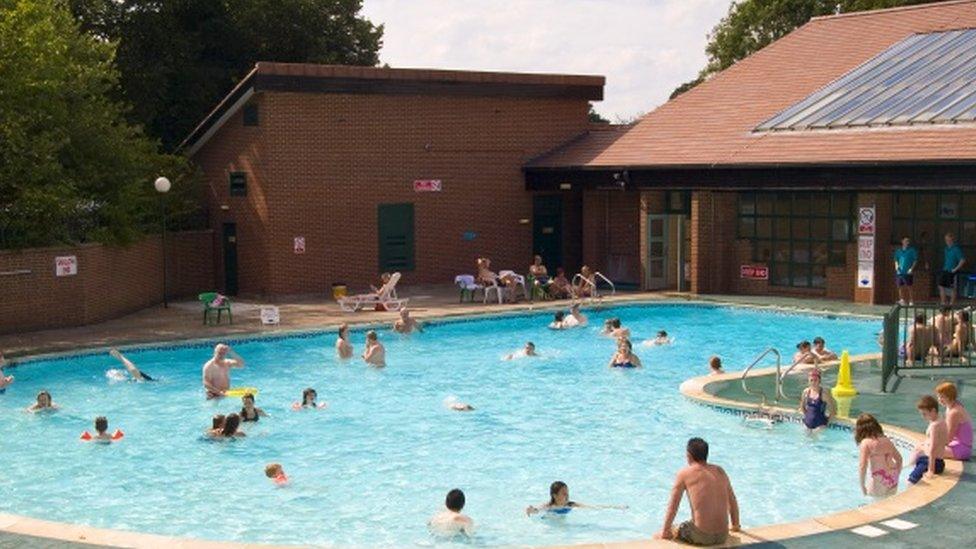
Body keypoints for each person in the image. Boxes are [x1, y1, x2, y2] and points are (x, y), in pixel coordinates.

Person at [656, 438, 740, 545]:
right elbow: (732, 501)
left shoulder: (684, 473)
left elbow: (673, 506)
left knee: (663, 533)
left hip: (702, 536)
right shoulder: (720, 471)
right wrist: (736, 526)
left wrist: (665, 532)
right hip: (722, 536)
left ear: (688, 455)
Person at [855, 413, 902, 497]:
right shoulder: (887, 440)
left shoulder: (866, 443)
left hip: (879, 478)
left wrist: (862, 485)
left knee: (874, 505)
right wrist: (897, 474)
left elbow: (862, 466)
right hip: (893, 478)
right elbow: (899, 459)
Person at [525, 481, 627, 516]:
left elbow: (592, 507)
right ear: (554, 495)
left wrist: (615, 507)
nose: (567, 495)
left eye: (567, 493)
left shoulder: (570, 505)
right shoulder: (549, 506)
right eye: (564, 493)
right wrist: (531, 510)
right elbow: (537, 510)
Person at [908, 395, 947, 483]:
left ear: (933, 411)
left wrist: (931, 470)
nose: (923, 416)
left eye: (924, 414)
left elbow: (933, 448)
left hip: (933, 462)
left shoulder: (935, 426)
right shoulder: (939, 419)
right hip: (935, 460)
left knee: (911, 480)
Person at [936, 382, 972, 461]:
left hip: (961, 450)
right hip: (958, 446)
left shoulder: (954, 412)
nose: (939, 399)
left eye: (942, 397)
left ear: (950, 397)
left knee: (923, 449)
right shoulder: (952, 406)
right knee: (924, 446)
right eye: (938, 396)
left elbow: (948, 438)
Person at [939, 232, 966, 305]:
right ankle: (943, 303)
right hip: (945, 270)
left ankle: (951, 305)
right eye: (946, 240)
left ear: (952, 239)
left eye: (949, 240)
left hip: (952, 271)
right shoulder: (946, 249)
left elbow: (962, 260)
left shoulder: (956, 249)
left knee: (952, 288)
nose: (947, 241)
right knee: (941, 286)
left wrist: (955, 269)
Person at [894, 237, 919, 305]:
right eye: (905, 241)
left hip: (908, 272)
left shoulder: (912, 250)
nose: (906, 242)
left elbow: (915, 260)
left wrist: (911, 268)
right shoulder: (898, 251)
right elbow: (896, 259)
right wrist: (896, 266)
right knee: (899, 286)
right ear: (902, 241)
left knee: (909, 286)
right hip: (900, 272)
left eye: (907, 241)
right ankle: (902, 300)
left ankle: (911, 300)